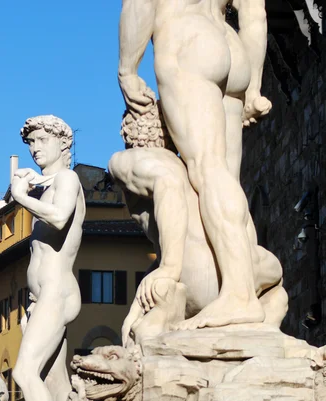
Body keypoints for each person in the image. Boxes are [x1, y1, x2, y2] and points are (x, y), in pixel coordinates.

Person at [119, 0, 273, 329]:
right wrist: (255, 86)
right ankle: (238, 289)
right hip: (232, 44)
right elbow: (254, 12)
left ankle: (239, 295)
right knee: (227, 178)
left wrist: (128, 68)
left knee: (208, 170)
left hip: (188, 39)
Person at [11, 115, 85, 401]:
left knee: (24, 373)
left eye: (43, 140)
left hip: (57, 292)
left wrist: (21, 197)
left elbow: (60, 217)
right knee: (54, 384)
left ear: (64, 142)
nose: (34, 148)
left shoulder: (69, 178)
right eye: (31, 142)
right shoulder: (48, 188)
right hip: (41, 298)